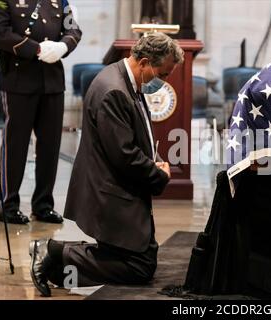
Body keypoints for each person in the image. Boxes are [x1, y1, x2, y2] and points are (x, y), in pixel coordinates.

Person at [29, 33, 184, 297]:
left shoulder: (125, 79)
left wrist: (154, 161)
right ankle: (52, 251)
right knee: (140, 267)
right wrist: (158, 175)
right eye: (164, 74)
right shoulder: (114, 90)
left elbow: (135, 136)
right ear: (145, 62)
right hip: (109, 191)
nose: (165, 81)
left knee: (144, 255)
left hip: (116, 184)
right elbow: (124, 155)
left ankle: (56, 265)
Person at [0, 0, 82, 224]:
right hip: (18, 80)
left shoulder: (59, 1)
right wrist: (35, 49)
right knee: (15, 145)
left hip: (52, 81)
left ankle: (43, 205)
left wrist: (63, 46)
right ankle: (8, 204)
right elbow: (0, 33)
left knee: (50, 146)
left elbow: (73, 28)